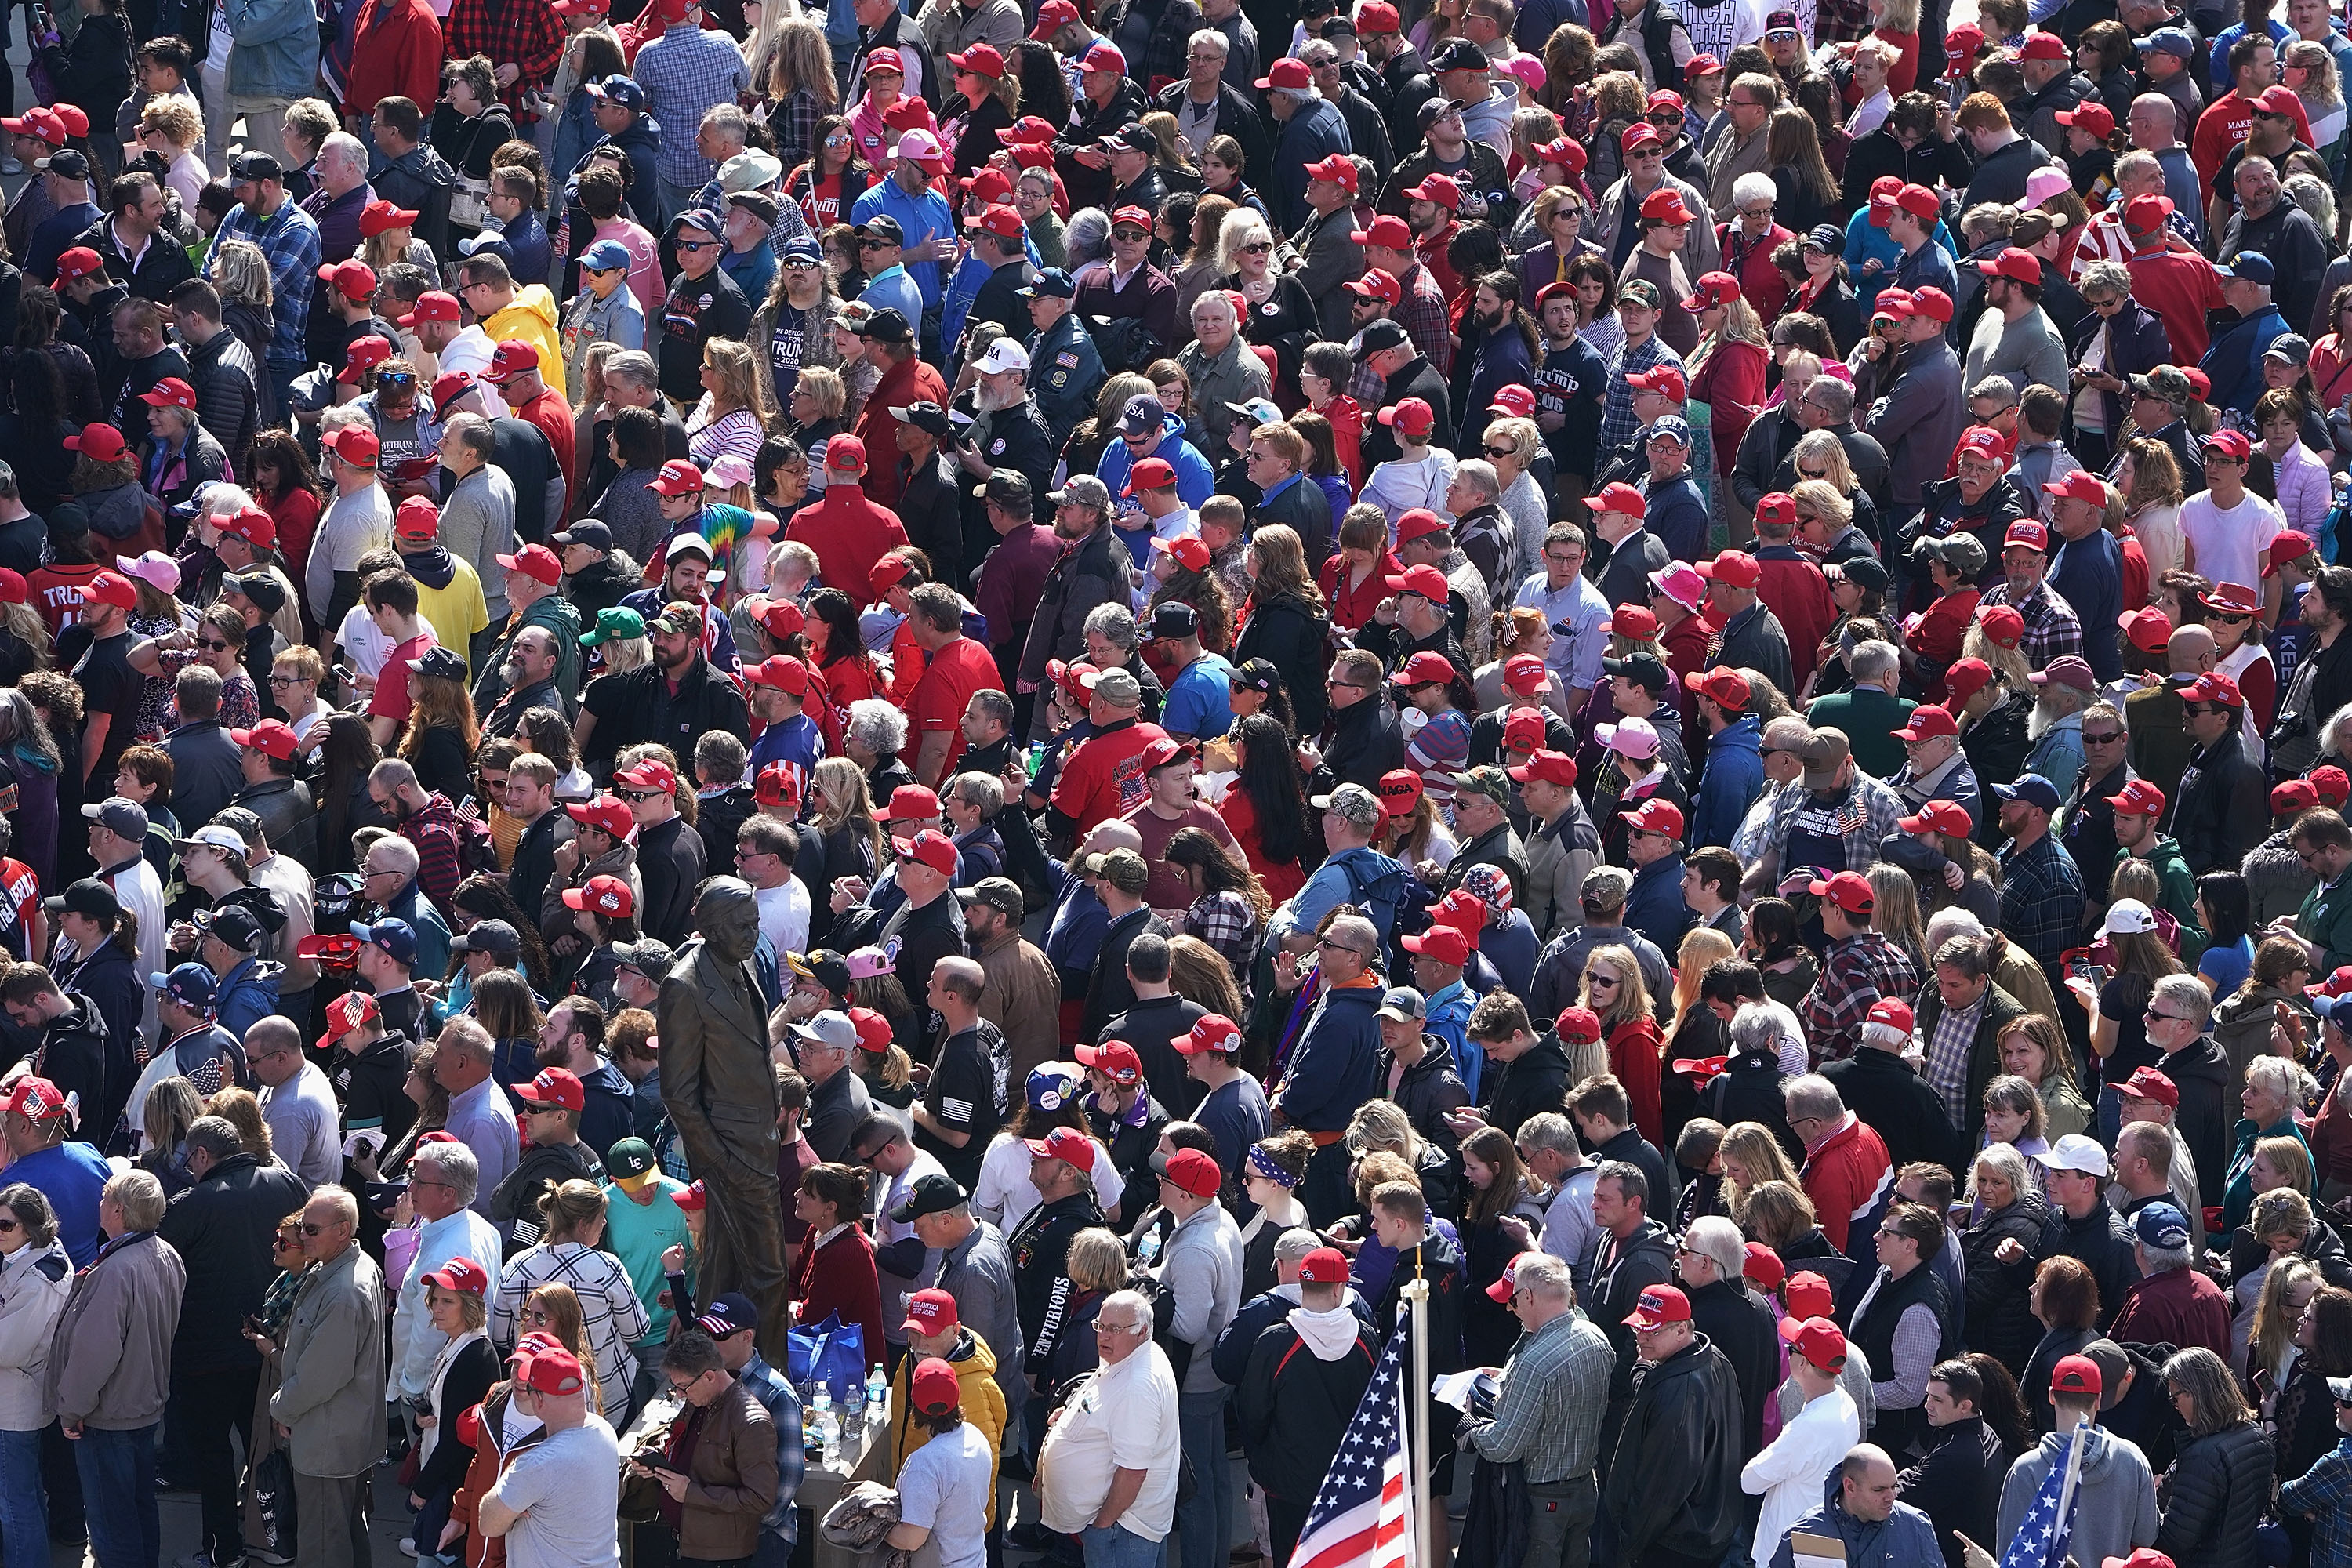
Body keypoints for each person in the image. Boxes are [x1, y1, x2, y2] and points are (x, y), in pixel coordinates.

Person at [45, 1169, 182, 1568]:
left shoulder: (116, 1272)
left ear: (119, 1210)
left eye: (105, 1197)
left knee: (111, 1525)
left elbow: (94, 1354)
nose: (99, 1204)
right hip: (143, 1407)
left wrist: (71, 1409)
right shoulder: (166, 1254)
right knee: (139, 1511)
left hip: (108, 1418)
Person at [268, 1185, 387, 1568]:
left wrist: (283, 1410)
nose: (302, 1237)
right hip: (341, 1437)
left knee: (322, 1546)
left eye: (312, 1230)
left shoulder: (343, 1293)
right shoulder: (356, 1266)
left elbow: (319, 1379)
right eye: (302, 1227)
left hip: (326, 1443)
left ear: (343, 1230)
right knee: (346, 1532)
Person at [1034, 1287, 1182, 1568]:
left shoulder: (1138, 1387)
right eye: (1099, 1325)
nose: (1103, 1335)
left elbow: (1133, 1471)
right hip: (1121, 1525)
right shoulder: (1132, 1355)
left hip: (1123, 1530)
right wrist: (1070, 1414)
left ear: (1142, 1331)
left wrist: (1102, 1525)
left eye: (1114, 1328)